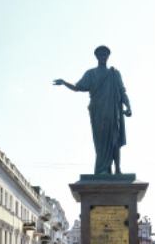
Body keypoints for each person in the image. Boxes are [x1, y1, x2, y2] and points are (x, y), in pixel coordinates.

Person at [54, 45, 132, 175]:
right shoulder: (91, 74)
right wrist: (64, 82)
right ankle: (103, 169)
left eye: (105, 54)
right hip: (98, 113)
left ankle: (117, 169)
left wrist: (128, 106)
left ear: (108, 56)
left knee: (115, 140)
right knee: (101, 142)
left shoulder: (114, 73)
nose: (103, 56)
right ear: (96, 56)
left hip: (113, 112)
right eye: (100, 54)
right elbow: (77, 87)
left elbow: (122, 92)